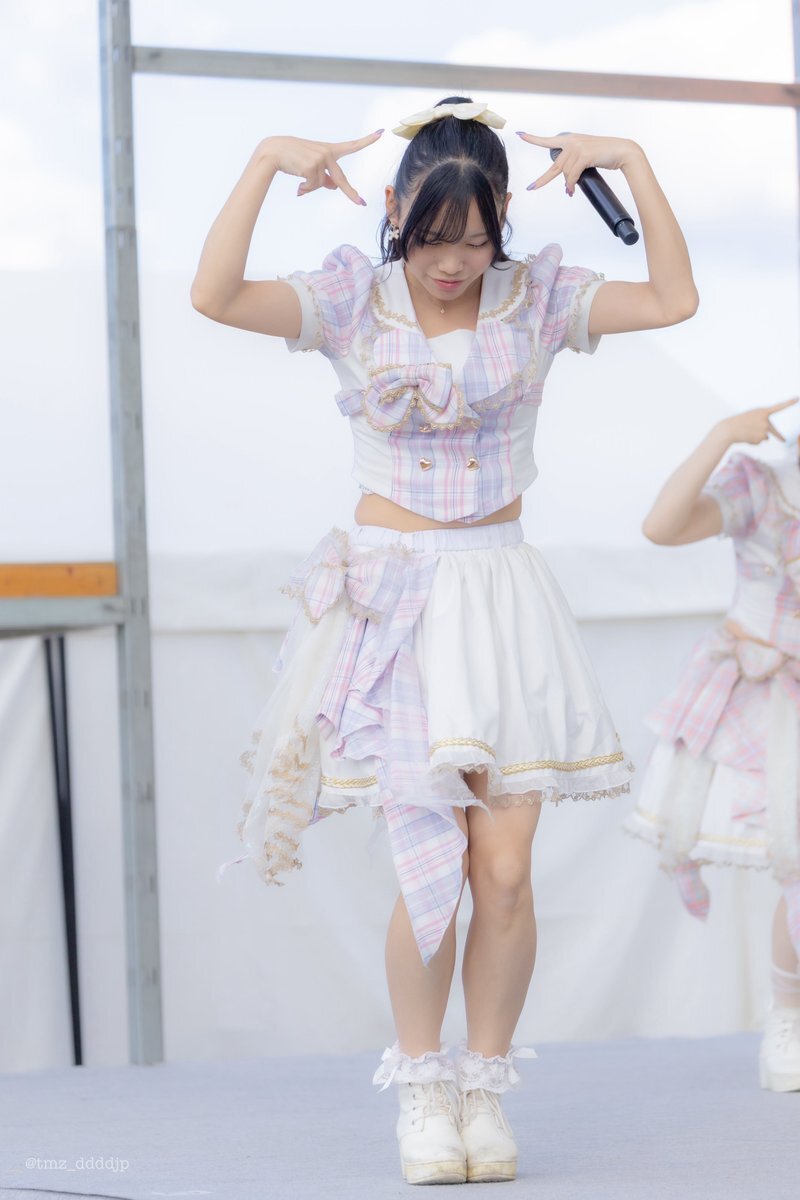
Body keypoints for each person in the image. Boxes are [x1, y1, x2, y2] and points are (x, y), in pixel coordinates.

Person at [193, 95, 698, 1184]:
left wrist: (629, 159)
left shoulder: (538, 298)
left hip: (500, 594)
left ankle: (483, 1087)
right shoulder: (351, 299)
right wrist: (266, 159)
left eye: (471, 238)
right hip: (396, 604)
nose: (451, 262)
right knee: (432, 861)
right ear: (393, 213)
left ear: (502, 217)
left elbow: (672, 297)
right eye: (429, 238)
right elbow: (215, 295)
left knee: (504, 871)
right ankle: (420, 1092)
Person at [626, 400, 800, 1094]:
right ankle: (789, 1016)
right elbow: (661, 527)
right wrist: (722, 435)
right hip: (767, 691)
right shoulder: (764, 486)